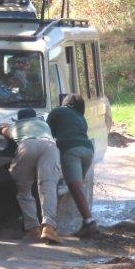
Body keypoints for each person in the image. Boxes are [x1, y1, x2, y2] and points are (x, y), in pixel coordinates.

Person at [3, 108, 62, 244]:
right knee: (48, 187)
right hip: (49, 146)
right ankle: (49, 228)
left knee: (24, 189)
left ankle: (33, 229)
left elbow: (5, 132)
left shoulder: (16, 126)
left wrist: (5, 128)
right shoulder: (44, 124)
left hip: (27, 145)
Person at [46, 94, 98, 238]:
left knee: (75, 188)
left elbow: (47, 134)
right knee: (76, 187)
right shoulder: (81, 118)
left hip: (71, 150)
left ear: (65, 103)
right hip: (88, 151)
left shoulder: (57, 112)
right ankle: (82, 220)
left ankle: (89, 222)